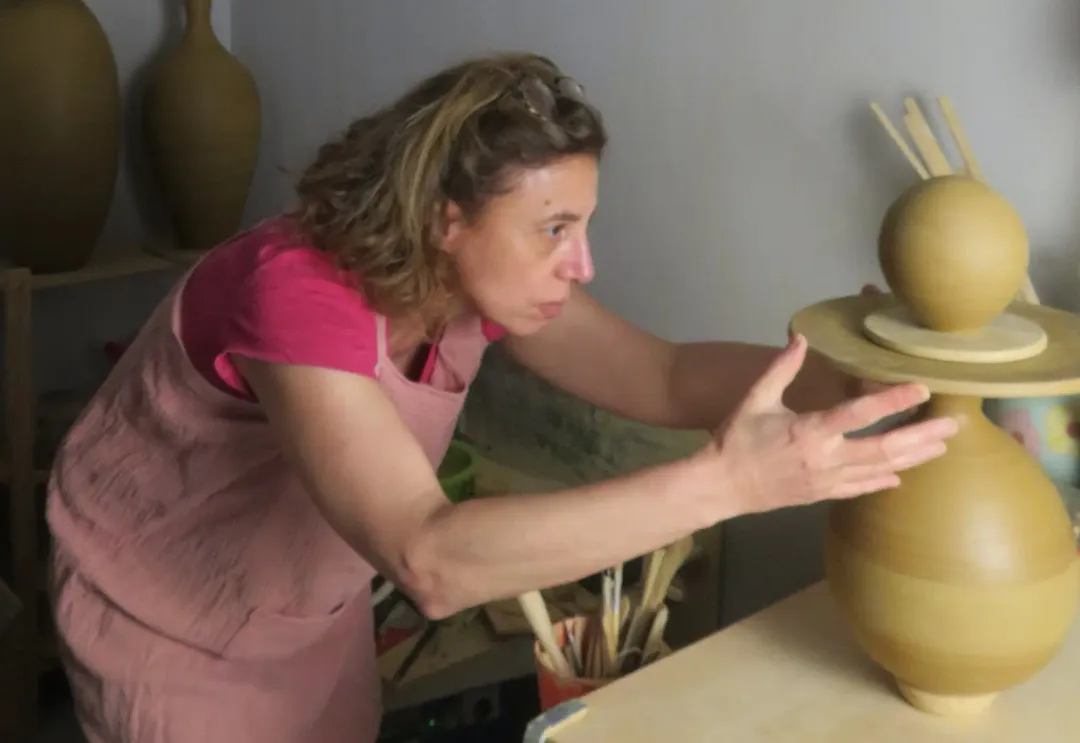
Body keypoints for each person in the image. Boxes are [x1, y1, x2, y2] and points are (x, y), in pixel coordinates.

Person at [45, 52, 958, 742]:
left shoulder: (477, 282)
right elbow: (428, 558)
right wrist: (732, 482)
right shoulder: (293, 289)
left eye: (583, 225)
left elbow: (664, 374)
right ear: (445, 218)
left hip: (303, 614)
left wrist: (843, 374)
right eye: (554, 229)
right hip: (167, 618)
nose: (582, 263)